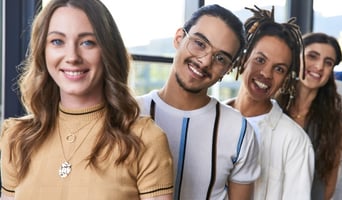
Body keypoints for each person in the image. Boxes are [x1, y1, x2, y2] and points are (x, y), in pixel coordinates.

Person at [0, 0, 174, 199]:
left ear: (108, 51)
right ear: (43, 51)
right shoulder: (17, 138)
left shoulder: (144, 139)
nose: (72, 56)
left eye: (87, 42)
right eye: (57, 41)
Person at [136, 4, 260, 200]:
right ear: (179, 38)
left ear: (228, 69)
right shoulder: (130, 113)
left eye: (220, 58)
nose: (204, 62)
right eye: (200, 43)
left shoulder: (239, 131)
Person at [224, 6, 315, 199]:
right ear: (244, 57)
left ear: (286, 79)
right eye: (260, 59)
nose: (266, 73)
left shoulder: (295, 142)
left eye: (279, 69)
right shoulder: (211, 118)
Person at [275, 32, 342, 200]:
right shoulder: (270, 106)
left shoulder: (334, 119)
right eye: (312, 56)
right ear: (296, 58)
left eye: (328, 63)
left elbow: (330, 175)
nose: (319, 67)